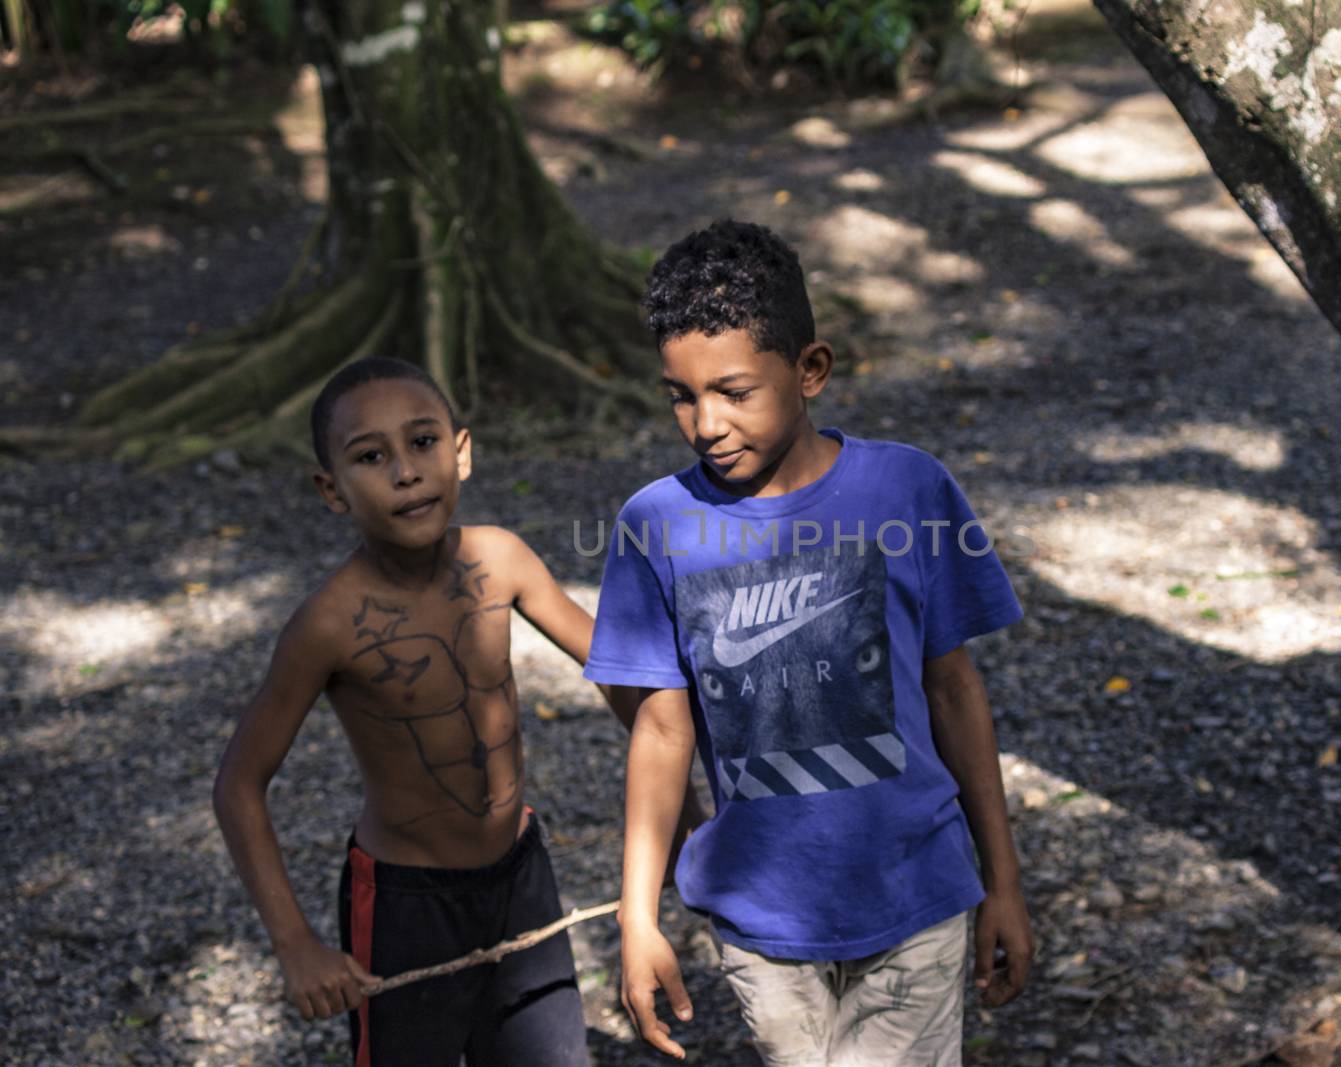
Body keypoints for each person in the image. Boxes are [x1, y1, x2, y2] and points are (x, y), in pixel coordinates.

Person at [585, 219, 1034, 1065]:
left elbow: (953, 689)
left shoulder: (908, 487)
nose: (705, 423)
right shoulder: (655, 525)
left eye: (734, 390)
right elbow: (660, 728)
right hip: (760, 919)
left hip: (917, 890)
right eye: (681, 395)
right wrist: (636, 916)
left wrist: (1003, 879)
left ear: (811, 370)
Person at [213, 357, 604, 1066]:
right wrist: (296, 944)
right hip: (404, 905)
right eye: (371, 456)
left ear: (462, 451)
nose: (405, 471)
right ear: (332, 490)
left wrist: (689, 813)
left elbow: (624, 674)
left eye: (423, 443)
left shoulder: (504, 560)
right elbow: (239, 783)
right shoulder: (326, 625)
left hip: (521, 875)